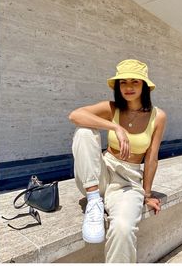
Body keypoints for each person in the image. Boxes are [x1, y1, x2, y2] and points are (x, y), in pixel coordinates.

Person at [68, 59, 167, 263]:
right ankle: (94, 200)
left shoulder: (158, 117)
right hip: (99, 175)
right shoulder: (111, 108)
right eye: (123, 82)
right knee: (84, 131)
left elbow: (151, 157)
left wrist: (146, 194)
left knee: (123, 228)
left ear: (145, 86)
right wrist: (115, 127)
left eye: (135, 82)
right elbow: (75, 115)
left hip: (128, 182)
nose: (128, 87)